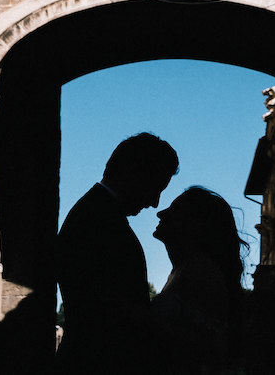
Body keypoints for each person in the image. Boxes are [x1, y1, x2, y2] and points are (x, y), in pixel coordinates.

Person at [55, 132, 179, 373]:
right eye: (156, 187)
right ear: (133, 171)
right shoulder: (99, 220)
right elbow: (108, 309)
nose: (155, 202)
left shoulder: (95, 213)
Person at [150, 187, 250, 374]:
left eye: (176, 210)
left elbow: (205, 347)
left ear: (197, 225)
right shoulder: (182, 271)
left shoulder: (200, 273)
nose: (160, 213)